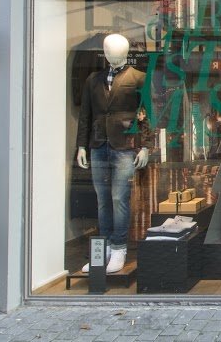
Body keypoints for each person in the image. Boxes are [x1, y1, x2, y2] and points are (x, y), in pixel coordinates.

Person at [76, 34, 152, 273]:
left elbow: (147, 114)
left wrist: (145, 146)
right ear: (105, 52)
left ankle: (119, 247)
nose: (113, 55)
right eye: (110, 50)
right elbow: (86, 115)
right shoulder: (93, 80)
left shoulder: (138, 78)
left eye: (118, 51)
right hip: (98, 144)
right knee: (102, 199)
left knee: (119, 198)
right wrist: (81, 146)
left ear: (126, 52)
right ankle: (105, 248)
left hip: (124, 146)